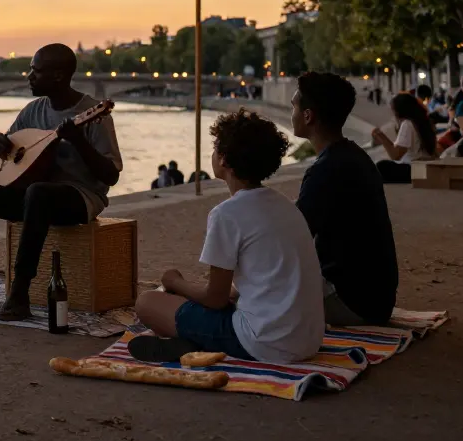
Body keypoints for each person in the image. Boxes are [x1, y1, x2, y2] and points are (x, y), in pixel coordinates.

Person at [0, 44, 122, 320]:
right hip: (33, 197)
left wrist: (78, 141)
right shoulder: (33, 111)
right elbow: (9, 154)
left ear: (58, 76)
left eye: (36, 71)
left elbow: (111, 176)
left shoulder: (94, 114)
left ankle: (19, 294)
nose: (29, 76)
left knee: (38, 192)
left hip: (80, 199)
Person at [131, 109, 323, 364]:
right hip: (308, 340)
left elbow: (215, 298)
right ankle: (192, 342)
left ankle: (195, 343)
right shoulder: (286, 206)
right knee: (189, 303)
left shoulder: (227, 214)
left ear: (223, 159)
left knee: (147, 303)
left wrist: (175, 282)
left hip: (266, 343)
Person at [290, 72, 397, 326]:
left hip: (352, 302)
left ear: (308, 116)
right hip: (376, 300)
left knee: (251, 303)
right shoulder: (354, 157)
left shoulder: (326, 170)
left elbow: (292, 239)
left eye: (294, 106)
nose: (291, 112)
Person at [372, 93, 438, 183]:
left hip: (412, 170)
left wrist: (381, 136)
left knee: (381, 166)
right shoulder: (425, 122)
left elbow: (396, 156)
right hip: (424, 168)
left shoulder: (407, 124)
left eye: (393, 110)